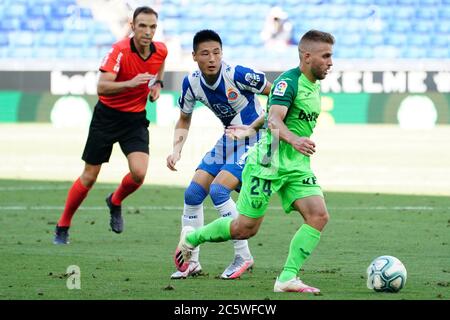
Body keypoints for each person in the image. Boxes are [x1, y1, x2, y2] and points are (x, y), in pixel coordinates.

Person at [174, 30, 334, 293]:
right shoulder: (287, 83)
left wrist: (250, 128)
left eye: (331, 56)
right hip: (268, 161)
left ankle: (287, 278)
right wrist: (292, 139)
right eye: (325, 56)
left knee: (318, 215)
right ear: (307, 56)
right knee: (244, 228)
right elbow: (275, 119)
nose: (330, 62)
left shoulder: (313, 84)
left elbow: (270, 110)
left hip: (296, 165)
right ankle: (191, 238)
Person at [53, 6, 167, 244]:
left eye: (152, 26)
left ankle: (114, 201)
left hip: (134, 120)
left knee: (139, 173)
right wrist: (131, 83)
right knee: (90, 175)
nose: (148, 31)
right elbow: (102, 87)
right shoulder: (119, 51)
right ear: (132, 26)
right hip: (106, 117)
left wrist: (158, 85)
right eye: (143, 26)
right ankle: (62, 225)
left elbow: (160, 66)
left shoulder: (161, 50)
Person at [166, 29, 272, 279]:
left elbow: (277, 95)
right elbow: (184, 117)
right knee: (193, 193)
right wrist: (176, 149)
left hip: (258, 138)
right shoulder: (191, 82)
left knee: (218, 189)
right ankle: (191, 261)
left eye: (216, 52)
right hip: (229, 138)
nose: (212, 58)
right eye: (205, 53)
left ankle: (243, 256)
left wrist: (258, 127)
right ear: (194, 56)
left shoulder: (237, 74)